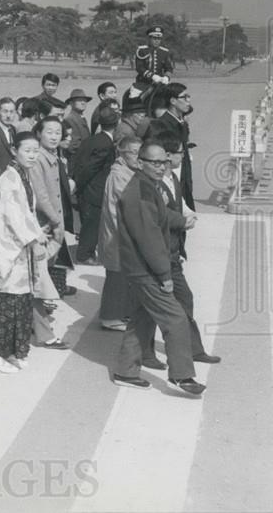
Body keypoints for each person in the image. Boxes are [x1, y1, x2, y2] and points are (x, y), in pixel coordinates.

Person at [111, 141, 206, 396]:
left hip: (140, 268)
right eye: (154, 162)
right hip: (145, 270)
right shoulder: (139, 192)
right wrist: (164, 276)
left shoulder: (147, 185)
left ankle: (126, 372)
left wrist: (182, 220)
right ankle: (182, 376)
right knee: (175, 318)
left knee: (142, 318)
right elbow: (149, 238)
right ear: (140, 163)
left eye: (163, 161)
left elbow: (161, 215)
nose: (160, 166)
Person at [138, 134, 221, 366]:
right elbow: (158, 216)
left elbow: (180, 203)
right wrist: (181, 221)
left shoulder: (172, 177)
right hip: (157, 255)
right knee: (150, 308)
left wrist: (188, 215)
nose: (182, 158)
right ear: (166, 155)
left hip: (172, 252)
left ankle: (193, 349)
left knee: (184, 299)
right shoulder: (152, 183)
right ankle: (145, 353)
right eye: (179, 154)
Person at [0, 131, 51, 373]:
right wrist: (35, 237)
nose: (32, 155)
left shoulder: (22, 175)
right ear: (14, 150)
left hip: (18, 248)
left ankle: (12, 350)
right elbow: (13, 216)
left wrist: (36, 232)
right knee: (4, 301)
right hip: (7, 249)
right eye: (27, 150)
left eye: (35, 150)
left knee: (20, 301)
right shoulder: (9, 178)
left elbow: (26, 213)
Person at [98, 136, 142, 332]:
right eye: (133, 153)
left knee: (124, 275)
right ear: (122, 155)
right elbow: (127, 205)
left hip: (123, 232)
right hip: (118, 232)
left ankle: (120, 312)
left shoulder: (128, 172)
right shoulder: (118, 175)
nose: (137, 157)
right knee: (117, 276)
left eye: (140, 152)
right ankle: (110, 317)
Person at [29, 116, 77, 301]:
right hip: (44, 221)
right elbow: (41, 197)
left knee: (53, 260)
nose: (54, 136)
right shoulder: (38, 158)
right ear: (39, 133)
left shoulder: (54, 156)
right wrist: (56, 221)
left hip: (54, 217)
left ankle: (51, 296)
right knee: (42, 263)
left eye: (58, 133)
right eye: (49, 132)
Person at [72, 106, 119, 264]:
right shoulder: (106, 144)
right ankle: (84, 255)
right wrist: (80, 184)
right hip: (95, 189)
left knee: (90, 222)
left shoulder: (92, 139)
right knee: (92, 224)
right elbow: (91, 168)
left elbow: (81, 162)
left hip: (87, 188)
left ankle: (86, 253)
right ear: (116, 124)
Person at [146, 83, 195, 210]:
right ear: (173, 101)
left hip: (181, 180)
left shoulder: (181, 124)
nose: (188, 101)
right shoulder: (160, 125)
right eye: (184, 97)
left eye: (188, 96)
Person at [131, 26, 174, 100]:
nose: (157, 41)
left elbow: (169, 68)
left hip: (160, 84)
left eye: (159, 39)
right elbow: (139, 67)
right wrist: (152, 76)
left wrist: (166, 77)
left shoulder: (165, 52)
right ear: (149, 38)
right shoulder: (142, 50)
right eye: (154, 38)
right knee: (134, 99)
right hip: (142, 84)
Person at [63, 89, 92, 159]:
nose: (83, 103)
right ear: (71, 103)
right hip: (77, 160)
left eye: (85, 100)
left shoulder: (80, 117)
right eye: (79, 100)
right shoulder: (70, 119)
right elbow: (72, 146)